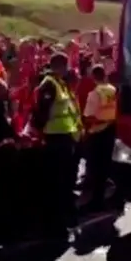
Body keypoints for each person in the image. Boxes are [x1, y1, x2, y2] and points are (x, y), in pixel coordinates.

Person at [31, 53, 83, 234]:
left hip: (65, 136)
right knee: (58, 182)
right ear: (59, 66)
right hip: (55, 138)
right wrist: (38, 132)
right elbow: (41, 112)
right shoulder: (49, 85)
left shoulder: (60, 83)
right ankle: (55, 223)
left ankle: (64, 219)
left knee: (66, 181)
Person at [82, 65, 116, 210]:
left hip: (97, 133)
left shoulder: (95, 94)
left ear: (93, 77)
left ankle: (96, 202)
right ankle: (107, 198)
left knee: (95, 169)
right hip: (111, 130)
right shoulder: (113, 90)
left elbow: (89, 117)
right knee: (106, 167)